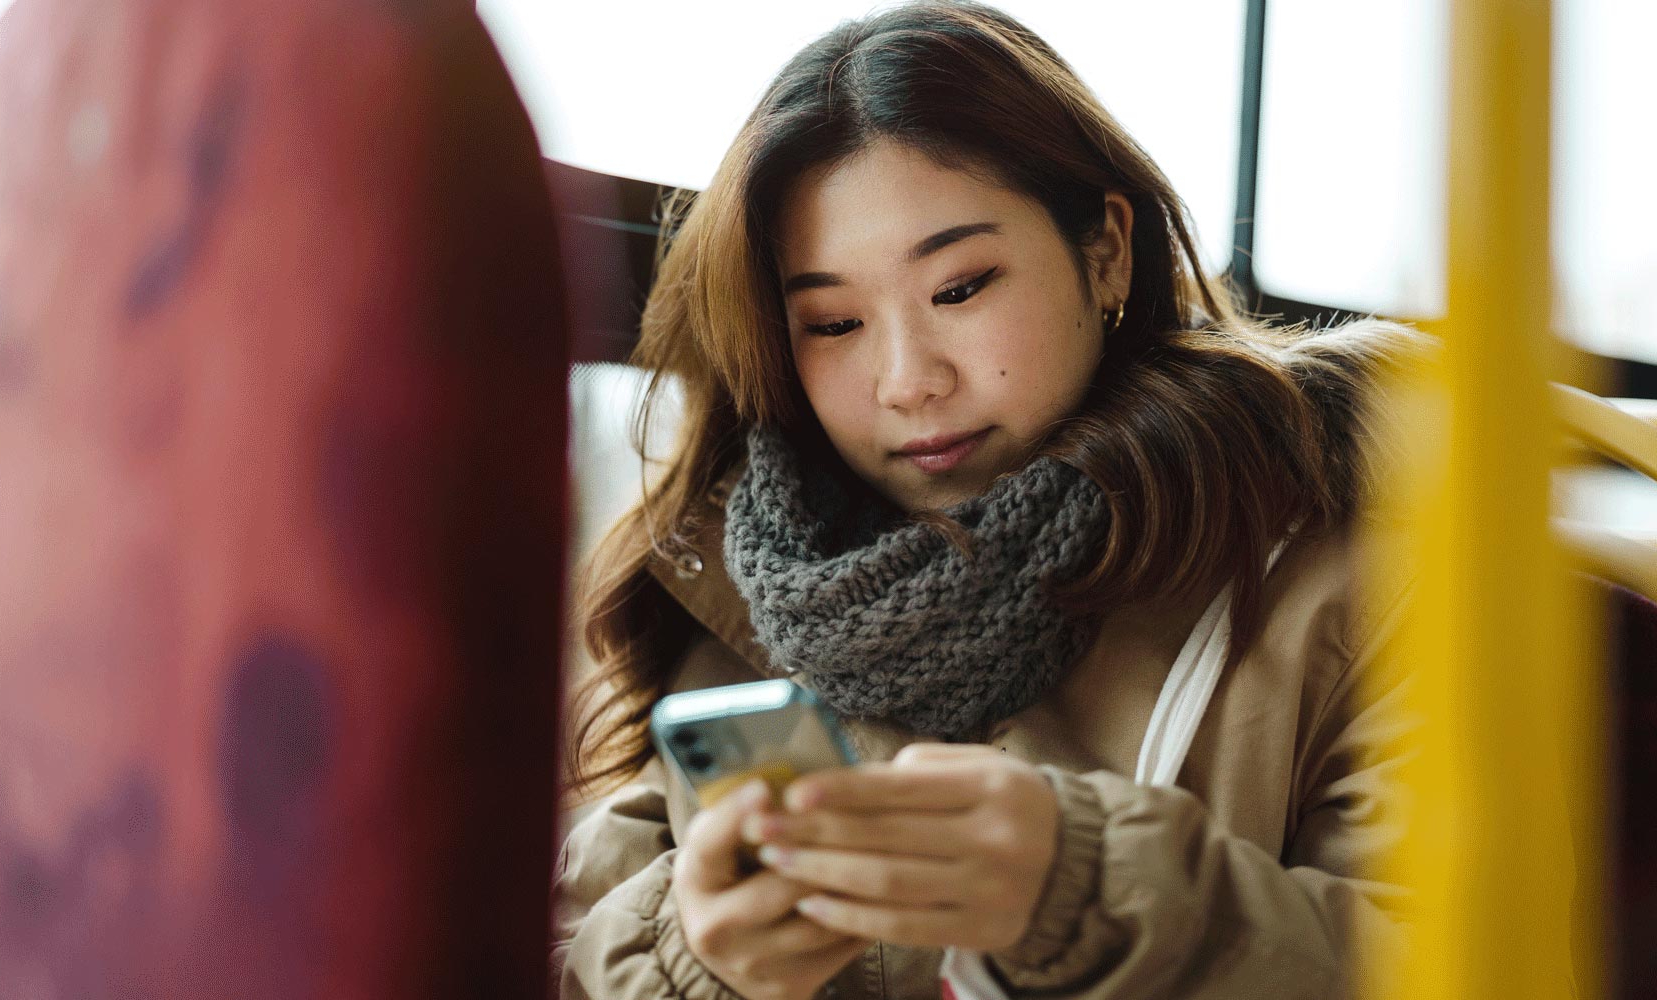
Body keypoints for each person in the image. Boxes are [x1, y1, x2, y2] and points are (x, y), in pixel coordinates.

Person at [553, 3, 1425, 997]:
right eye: (833, 322)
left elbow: (1469, 959)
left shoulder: (1348, 572)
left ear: (1104, 251)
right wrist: (691, 963)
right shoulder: (741, 611)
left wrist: (1087, 893)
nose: (905, 379)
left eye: (959, 289)